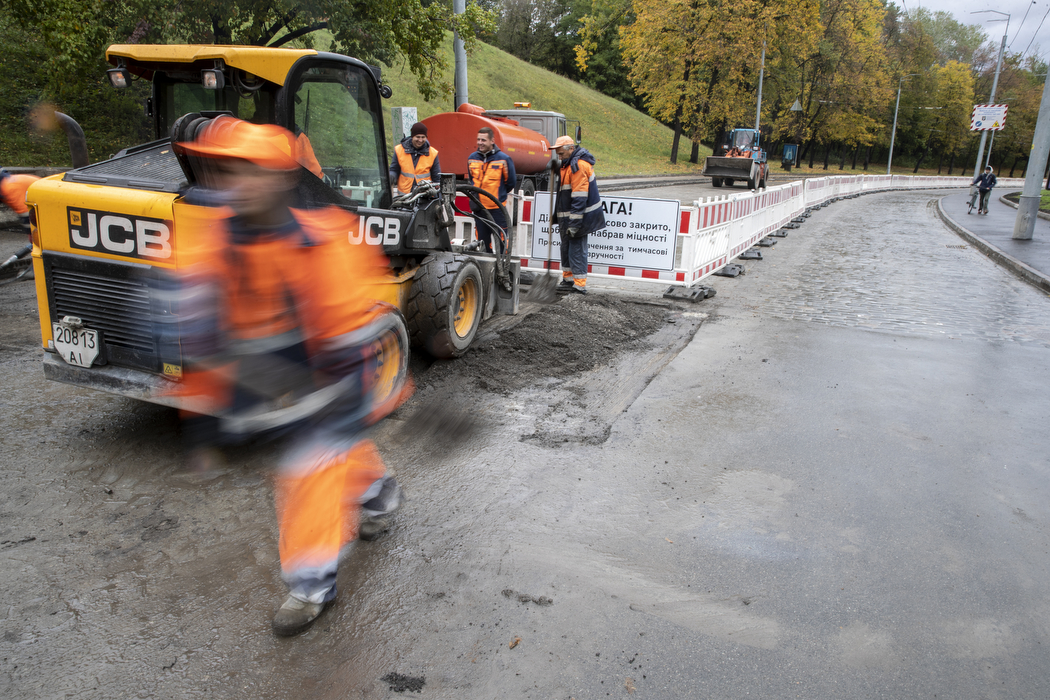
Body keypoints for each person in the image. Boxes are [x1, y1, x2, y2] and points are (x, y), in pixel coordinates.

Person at [173, 116, 408, 637]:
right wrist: (206, 426)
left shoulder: (323, 244)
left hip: (331, 377)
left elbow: (349, 336)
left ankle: (310, 586)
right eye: (230, 172)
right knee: (334, 453)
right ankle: (381, 493)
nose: (239, 184)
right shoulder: (214, 244)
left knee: (308, 471)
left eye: (251, 172)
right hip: (271, 385)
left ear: (281, 179)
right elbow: (202, 336)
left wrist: (342, 402)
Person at [553, 135, 605, 295]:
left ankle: (579, 284)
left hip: (579, 217)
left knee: (576, 249)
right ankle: (568, 279)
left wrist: (574, 224)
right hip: (566, 216)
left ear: (571, 149)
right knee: (566, 247)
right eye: (558, 155)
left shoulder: (579, 165)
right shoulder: (566, 164)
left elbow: (579, 197)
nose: (559, 157)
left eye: (561, 154)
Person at [467, 127, 516, 253]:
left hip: (497, 209)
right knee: (482, 243)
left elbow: (510, 182)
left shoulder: (504, 159)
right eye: (478, 140)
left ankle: (502, 270)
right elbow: (471, 180)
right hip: (479, 209)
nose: (480, 143)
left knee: (502, 242)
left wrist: (499, 196)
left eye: (483, 140)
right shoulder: (472, 158)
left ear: (492, 141)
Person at [389, 122, 440, 195]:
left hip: (424, 197)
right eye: (418, 137)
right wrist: (391, 177)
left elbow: (437, 178)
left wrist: (439, 198)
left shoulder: (433, 153)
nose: (420, 140)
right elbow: (394, 170)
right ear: (412, 136)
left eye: (423, 137)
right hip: (404, 197)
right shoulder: (399, 150)